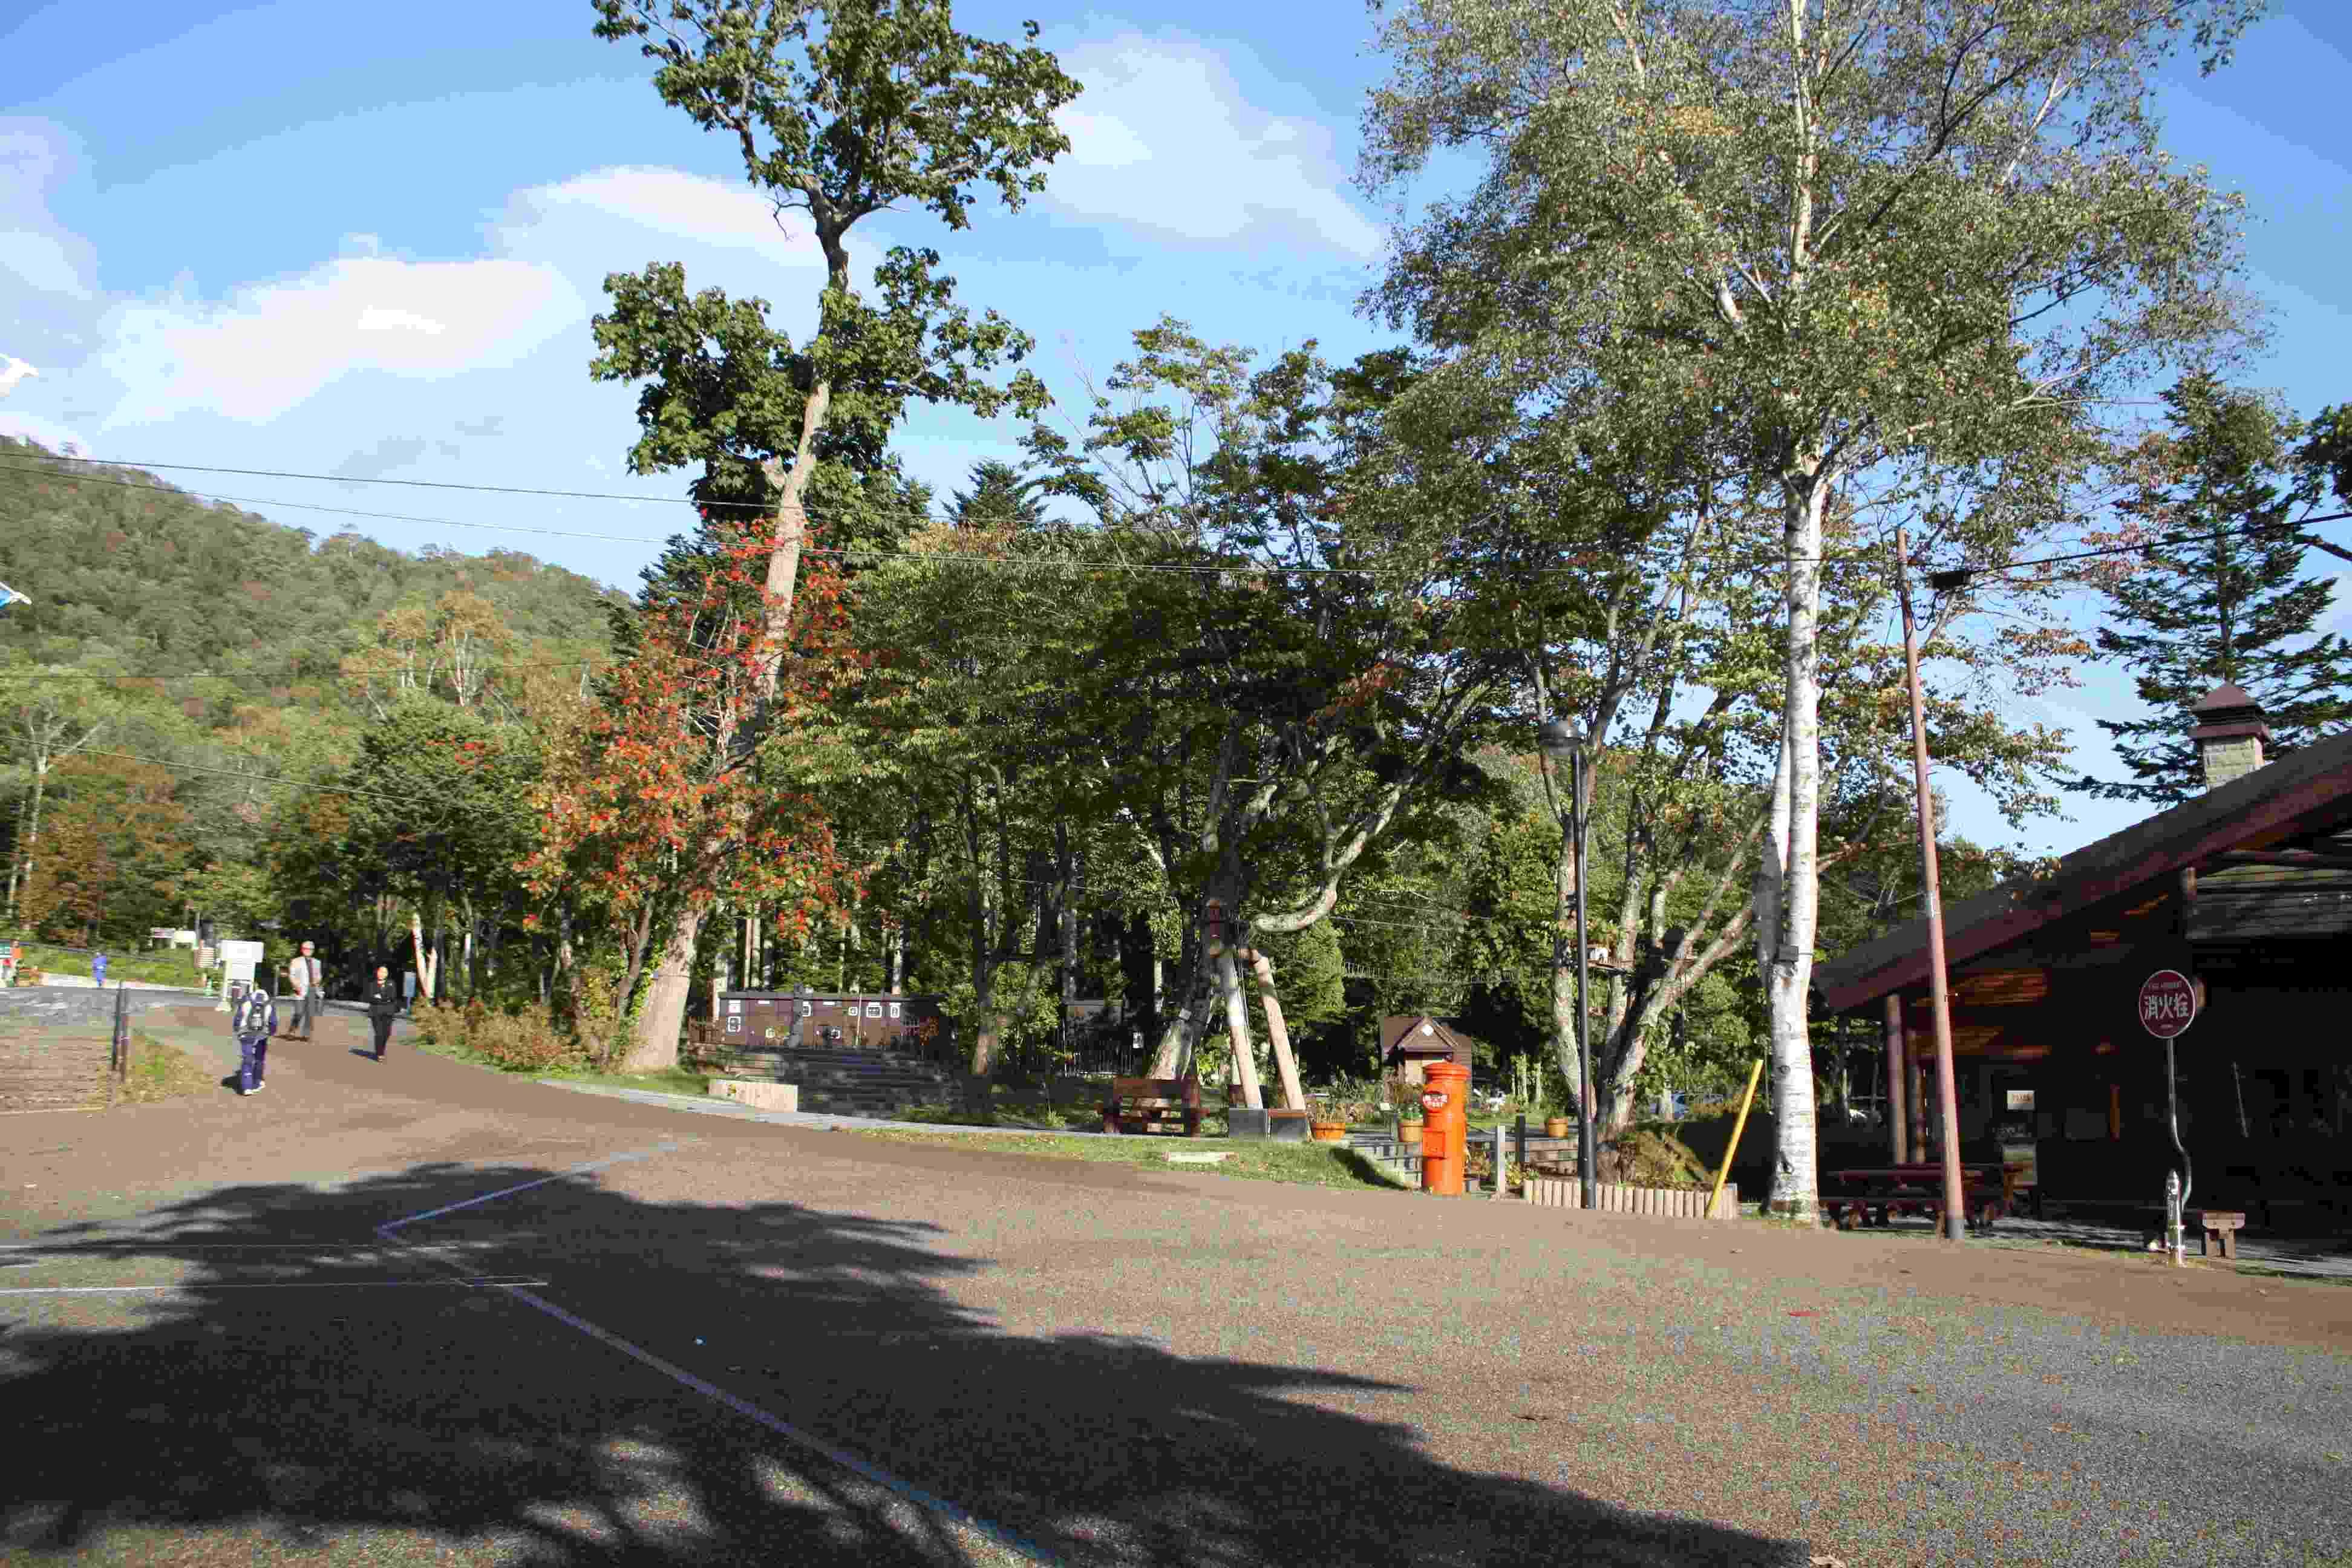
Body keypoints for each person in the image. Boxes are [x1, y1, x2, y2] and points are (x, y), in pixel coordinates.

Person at [234, 985, 276, 1096]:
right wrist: (271, 1033)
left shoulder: (246, 1000)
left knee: (247, 1058)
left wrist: (237, 1029)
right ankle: (256, 1083)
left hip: (245, 1034)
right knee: (259, 1059)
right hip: (261, 1035)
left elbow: (238, 1017)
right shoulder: (270, 1003)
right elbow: (273, 1022)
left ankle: (247, 1087)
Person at [284, 939, 323, 1040]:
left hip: (312, 989)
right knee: (299, 1012)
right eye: (305, 949)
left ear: (313, 950)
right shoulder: (296, 961)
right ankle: (292, 1031)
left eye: (310, 949)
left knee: (310, 1013)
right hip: (300, 989)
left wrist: (317, 980)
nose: (308, 951)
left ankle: (307, 1034)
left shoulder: (317, 962)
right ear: (302, 950)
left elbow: (319, 975)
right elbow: (292, 975)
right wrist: (295, 985)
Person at [364, 964, 400, 1062]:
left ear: (387, 974)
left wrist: (380, 998)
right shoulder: (372, 984)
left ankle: (381, 1049)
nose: (382, 974)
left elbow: (392, 996)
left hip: (388, 1012)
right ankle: (380, 1053)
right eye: (380, 971)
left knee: (387, 1033)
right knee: (379, 1033)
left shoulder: (391, 983)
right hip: (375, 1012)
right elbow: (370, 998)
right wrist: (384, 999)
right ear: (377, 972)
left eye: (384, 972)